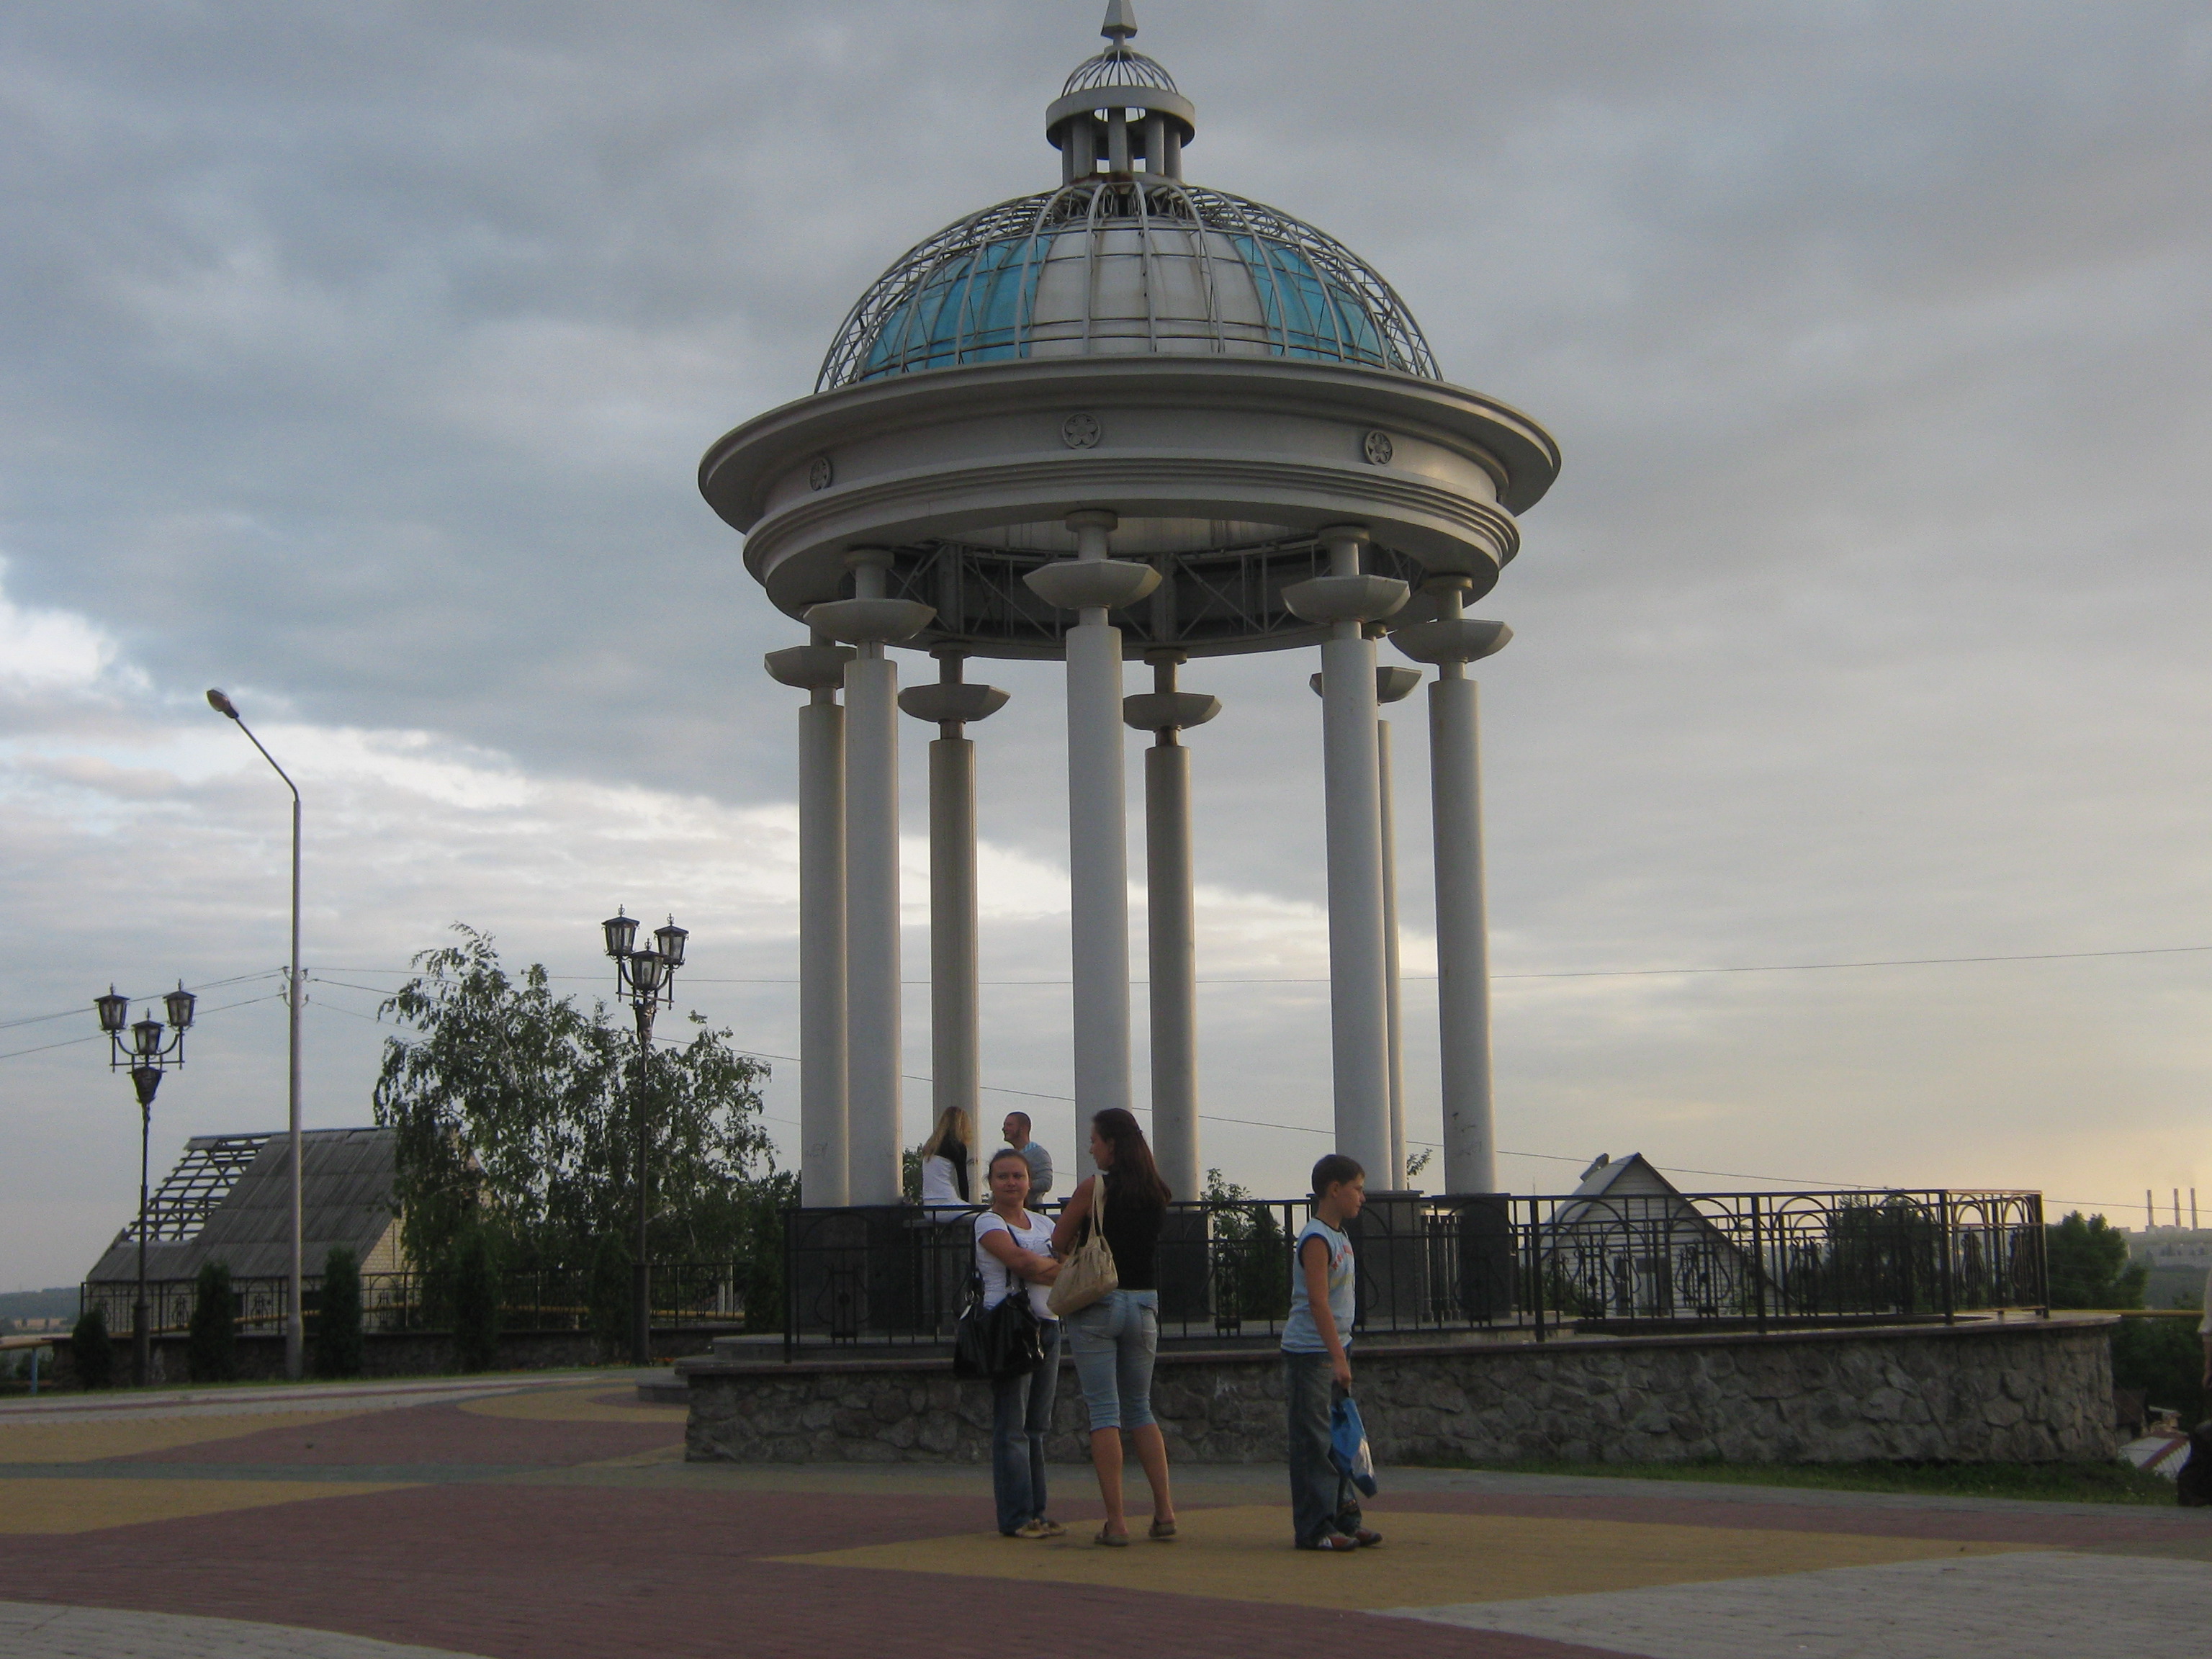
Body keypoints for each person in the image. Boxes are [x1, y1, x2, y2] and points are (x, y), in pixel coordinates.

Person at [1051, 1107, 1176, 1546]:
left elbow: (1057, 1240)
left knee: (1105, 1412)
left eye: (1095, 1140)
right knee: (1141, 1409)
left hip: (1099, 1305)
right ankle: (1164, 1513)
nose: (1091, 1147)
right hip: (1144, 1306)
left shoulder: (1094, 1188)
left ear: (1113, 1144)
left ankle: (1117, 1523)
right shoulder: (1157, 1192)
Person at [1282, 1153, 1380, 1552]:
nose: (1362, 1197)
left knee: (1341, 1437)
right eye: (1356, 1189)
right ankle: (1315, 1528)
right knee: (1315, 1442)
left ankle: (1344, 1517)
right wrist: (1337, 1357)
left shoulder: (1340, 1235)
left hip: (1337, 1347)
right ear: (1334, 1190)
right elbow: (1318, 1303)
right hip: (1312, 1354)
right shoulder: (1317, 1238)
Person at [974, 1148, 1064, 1538]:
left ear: (1030, 1182)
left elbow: (1066, 1264)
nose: (1011, 1183)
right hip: (1010, 1331)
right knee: (1012, 1425)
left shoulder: (1045, 1225)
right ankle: (1015, 1517)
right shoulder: (986, 1223)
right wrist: (1053, 1269)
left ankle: (1037, 1512)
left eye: (1018, 1176)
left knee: (1037, 1427)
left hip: (1049, 1326)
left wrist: (1049, 1268)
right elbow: (1022, 1264)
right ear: (991, 1183)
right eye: (1002, 1177)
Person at [917, 1107, 972, 1215]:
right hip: (947, 1203)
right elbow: (962, 1180)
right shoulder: (958, 1146)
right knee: (986, 1217)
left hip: (928, 1207)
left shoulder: (930, 1146)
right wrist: (967, 1205)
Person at [1001, 1111, 1053, 1200]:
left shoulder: (1038, 1154)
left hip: (1030, 1210)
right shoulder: (1010, 1155)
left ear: (1023, 1128)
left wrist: (1020, 1185)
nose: (1004, 1129)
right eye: (1005, 1125)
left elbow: (1046, 1183)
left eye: (1009, 1125)